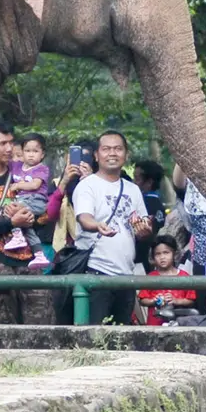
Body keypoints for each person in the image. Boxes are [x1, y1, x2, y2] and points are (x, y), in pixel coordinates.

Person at [0, 122, 53, 325]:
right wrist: (10, 223)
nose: (9, 149)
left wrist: (29, 218)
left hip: (30, 258)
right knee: (1, 324)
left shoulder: (25, 173)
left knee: (41, 321)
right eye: (2, 144)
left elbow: (46, 216)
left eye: (11, 143)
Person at [72, 131, 153, 325]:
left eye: (118, 149)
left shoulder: (132, 189)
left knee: (122, 335)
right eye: (106, 149)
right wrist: (97, 225)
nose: (112, 153)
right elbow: (84, 217)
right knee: (94, 333)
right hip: (96, 272)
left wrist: (145, 230)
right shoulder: (87, 186)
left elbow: (141, 225)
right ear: (96, 155)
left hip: (125, 274)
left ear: (126, 154)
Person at [4, 133, 52, 265]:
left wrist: (18, 185)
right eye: (27, 151)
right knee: (26, 226)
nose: (31, 154)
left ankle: (17, 235)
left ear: (42, 154)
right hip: (23, 201)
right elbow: (3, 161)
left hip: (35, 200)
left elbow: (35, 185)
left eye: (35, 151)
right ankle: (39, 254)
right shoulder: (17, 166)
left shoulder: (41, 169)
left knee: (10, 209)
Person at [136, 236, 196, 325]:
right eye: (158, 254)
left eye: (166, 253)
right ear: (153, 257)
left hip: (179, 323)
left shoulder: (184, 276)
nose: (162, 257)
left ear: (174, 254)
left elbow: (191, 300)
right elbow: (142, 300)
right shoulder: (150, 277)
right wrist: (153, 301)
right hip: (154, 324)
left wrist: (176, 301)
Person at [132, 160, 168, 272]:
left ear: (149, 182)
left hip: (139, 263)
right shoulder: (159, 205)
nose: (133, 182)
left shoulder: (142, 205)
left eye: (137, 179)